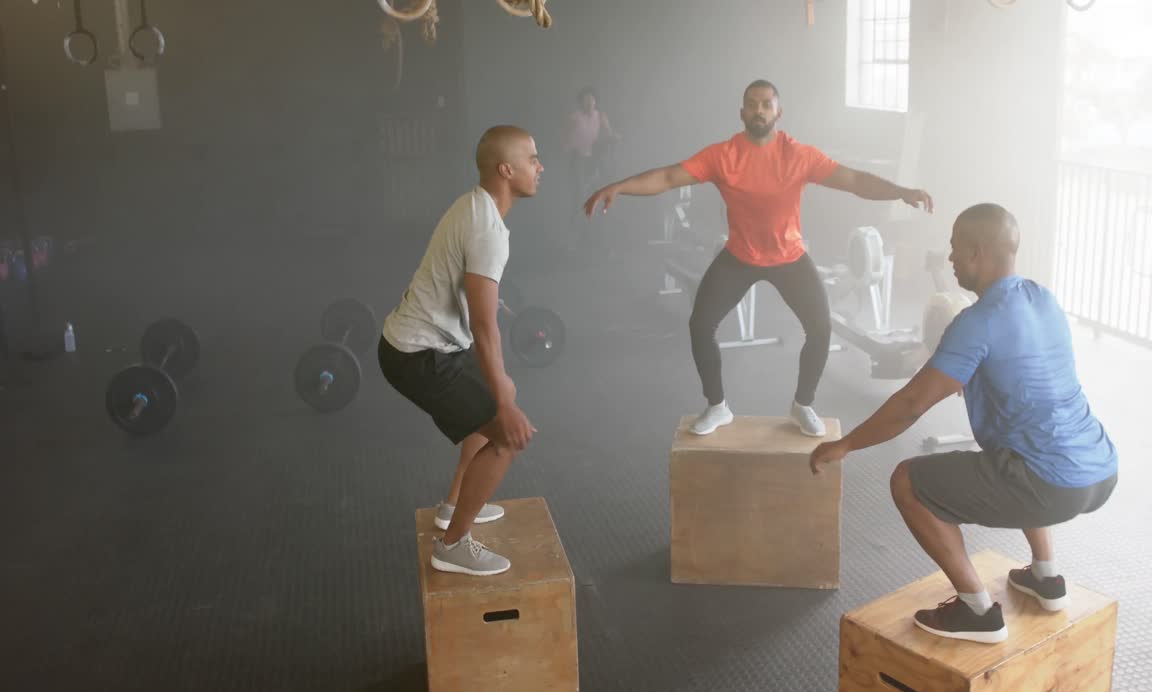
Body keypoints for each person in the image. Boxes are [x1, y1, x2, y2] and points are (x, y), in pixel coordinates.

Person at [809, 203, 1119, 644]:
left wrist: (845, 445)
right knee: (1015, 445)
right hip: (1101, 468)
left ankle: (977, 611)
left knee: (908, 481)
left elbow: (912, 404)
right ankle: (1046, 576)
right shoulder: (1043, 298)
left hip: (1051, 484)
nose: (950, 259)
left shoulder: (977, 322)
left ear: (976, 253)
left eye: (955, 249)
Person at [583, 79, 933, 437]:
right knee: (700, 324)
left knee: (820, 328)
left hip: (789, 256)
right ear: (742, 112)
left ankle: (803, 405)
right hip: (740, 255)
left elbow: (854, 180)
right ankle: (717, 406)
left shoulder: (798, 155)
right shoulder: (722, 155)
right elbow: (670, 176)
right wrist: (619, 187)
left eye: (766, 104)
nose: (759, 110)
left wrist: (899, 192)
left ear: (778, 113)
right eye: (752, 104)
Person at [378, 125, 543, 577]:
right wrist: (506, 406)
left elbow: (464, 286)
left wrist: (500, 387)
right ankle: (452, 545)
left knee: (492, 399)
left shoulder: (471, 204)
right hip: (420, 354)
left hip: (416, 342)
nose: (540, 166)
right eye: (532, 159)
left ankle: (454, 508)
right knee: (507, 434)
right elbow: (484, 326)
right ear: (506, 169)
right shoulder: (489, 229)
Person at [563, 87, 620, 202]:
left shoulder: (600, 116)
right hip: (577, 154)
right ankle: (578, 207)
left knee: (594, 182)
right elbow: (565, 134)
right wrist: (566, 147)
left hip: (593, 155)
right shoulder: (574, 117)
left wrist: (615, 137)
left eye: (591, 100)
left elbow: (609, 132)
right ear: (581, 103)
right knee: (578, 187)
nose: (589, 103)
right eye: (586, 100)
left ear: (595, 102)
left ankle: (592, 202)